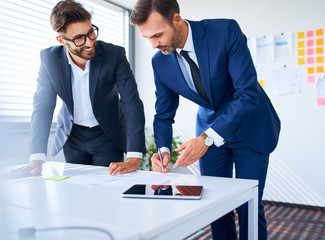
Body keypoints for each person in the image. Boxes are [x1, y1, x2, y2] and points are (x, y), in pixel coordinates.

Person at [130, 0, 280, 239]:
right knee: (214, 204)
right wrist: (163, 150)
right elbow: (164, 114)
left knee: (248, 204)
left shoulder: (225, 32)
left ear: (177, 19)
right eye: (147, 37)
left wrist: (207, 138)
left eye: (157, 35)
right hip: (209, 128)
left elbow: (248, 93)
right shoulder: (159, 61)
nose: (153, 44)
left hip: (251, 127)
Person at [8, 0, 146, 178]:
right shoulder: (49, 59)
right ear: (61, 40)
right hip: (72, 137)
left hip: (107, 135)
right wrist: (36, 157)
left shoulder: (114, 55)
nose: (89, 43)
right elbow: (42, 106)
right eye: (79, 38)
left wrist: (134, 156)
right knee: (75, 192)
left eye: (91, 33)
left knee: (107, 190)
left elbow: (131, 102)